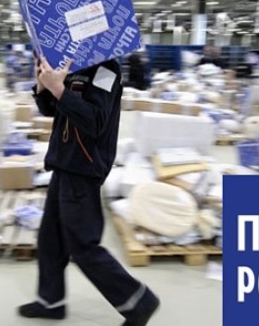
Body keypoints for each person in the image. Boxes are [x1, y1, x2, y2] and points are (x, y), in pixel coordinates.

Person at [18, 53, 160, 326]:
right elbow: (52, 110)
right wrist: (43, 86)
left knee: (83, 246)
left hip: (83, 168)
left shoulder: (106, 69)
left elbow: (96, 120)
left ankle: (138, 302)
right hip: (63, 163)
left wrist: (59, 89)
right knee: (50, 240)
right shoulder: (73, 65)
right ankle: (50, 302)